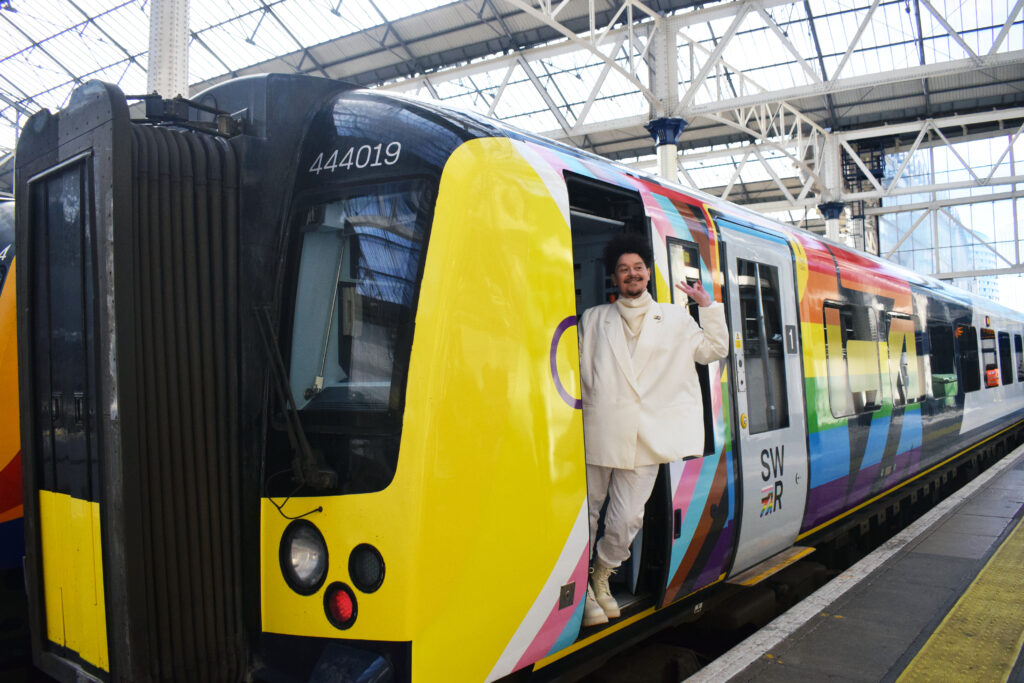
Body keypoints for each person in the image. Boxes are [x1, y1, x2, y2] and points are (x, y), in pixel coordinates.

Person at [577, 233, 729, 627]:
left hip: (647, 437)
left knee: (627, 518)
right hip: (598, 430)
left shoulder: (676, 318)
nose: (632, 275)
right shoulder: (593, 319)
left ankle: (602, 574)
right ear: (614, 276)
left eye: (638, 268)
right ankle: (582, 589)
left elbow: (713, 350)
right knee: (587, 514)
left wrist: (707, 307)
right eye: (624, 269)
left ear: (648, 273)